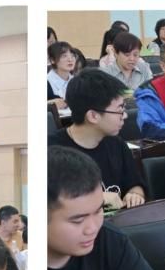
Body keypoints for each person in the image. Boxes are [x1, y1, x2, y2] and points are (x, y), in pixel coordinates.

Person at [53, 68, 148, 207]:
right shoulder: (52, 152)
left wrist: (135, 194)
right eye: (120, 110)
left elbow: (135, 184)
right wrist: (96, 198)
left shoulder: (116, 144)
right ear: (93, 116)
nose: (125, 115)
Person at [47, 41, 77, 107]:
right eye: (64, 56)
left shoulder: (77, 81)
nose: (70, 59)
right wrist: (49, 104)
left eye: (72, 56)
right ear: (52, 60)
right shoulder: (47, 81)